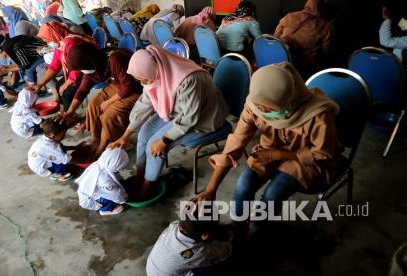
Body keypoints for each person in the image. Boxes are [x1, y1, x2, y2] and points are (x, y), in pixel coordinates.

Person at [196, 62, 342, 236]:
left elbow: (322, 155)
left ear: (290, 100)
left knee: (272, 196)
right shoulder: (255, 104)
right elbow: (235, 143)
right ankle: (238, 228)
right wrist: (211, 189)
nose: (262, 112)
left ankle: (257, 232)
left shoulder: (319, 114)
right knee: (244, 184)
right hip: (269, 151)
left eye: (269, 109)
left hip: (304, 161)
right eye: (260, 108)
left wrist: (277, 154)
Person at [109, 46, 229, 200]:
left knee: (155, 146)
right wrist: (125, 136)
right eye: (141, 81)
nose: (144, 83)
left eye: (144, 80)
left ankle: (148, 187)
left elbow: (188, 119)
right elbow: (144, 104)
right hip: (174, 110)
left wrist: (164, 140)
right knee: (144, 132)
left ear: (154, 69)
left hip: (203, 117)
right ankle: (140, 176)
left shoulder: (189, 79)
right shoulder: (156, 72)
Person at [64, 45, 141, 158]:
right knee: (93, 106)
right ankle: (96, 140)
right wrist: (69, 112)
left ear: (89, 62)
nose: (83, 72)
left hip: (136, 89)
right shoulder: (93, 63)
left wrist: (108, 102)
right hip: (118, 85)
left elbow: (128, 87)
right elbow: (83, 90)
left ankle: (102, 148)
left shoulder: (114, 59)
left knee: (109, 115)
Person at [29, 22, 97, 112]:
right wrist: (40, 84)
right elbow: (54, 66)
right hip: (78, 70)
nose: (46, 42)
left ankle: (68, 116)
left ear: (54, 34)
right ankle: (63, 112)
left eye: (47, 39)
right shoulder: (61, 43)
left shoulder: (71, 42)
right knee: (58, 86)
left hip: (91, 70)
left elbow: (78, 66)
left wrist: (67, 83)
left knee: (66, 93)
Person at [146, 206, 232, 276]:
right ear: (205, 236)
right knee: (215, 266)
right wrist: (234, 239)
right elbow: (225, 251)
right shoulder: (198, 252)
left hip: (152, 270)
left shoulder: (174, 225)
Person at [274, 0, 333, 79]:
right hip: (306, 70)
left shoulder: (289, 16)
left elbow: (275, 38)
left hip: (283, 64)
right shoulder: (325, 26)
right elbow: (327, 53)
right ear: (321, 8)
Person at [75, 148, 129, 215]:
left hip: (91, 191)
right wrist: (125, 198)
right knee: (120, 207)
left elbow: (115, 176)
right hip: (93, 200)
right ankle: (104, 210)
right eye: (121, 167)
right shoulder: (105, 182)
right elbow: (117, 195)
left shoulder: (100, 163)